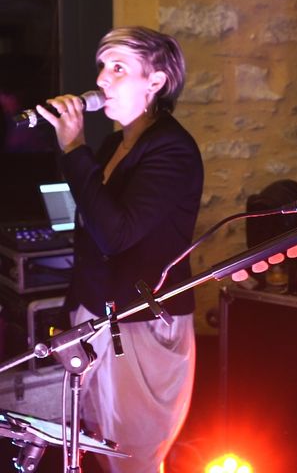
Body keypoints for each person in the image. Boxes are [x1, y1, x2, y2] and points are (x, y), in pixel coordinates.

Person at [37, 26, 204, 473]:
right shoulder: (114, 143)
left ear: (157, 81)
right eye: (101, 67)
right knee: (100, 450)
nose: (102, 79)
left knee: (133, 457)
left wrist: (74, 148)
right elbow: (91, 238)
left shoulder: (172, 149)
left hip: (140, 323)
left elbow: (116, 234)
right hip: (95, 318)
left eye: (118, 68)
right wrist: (68, 314)